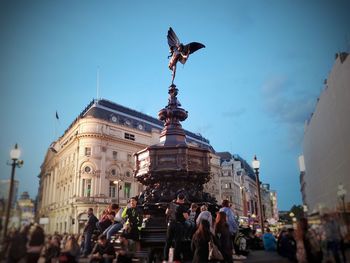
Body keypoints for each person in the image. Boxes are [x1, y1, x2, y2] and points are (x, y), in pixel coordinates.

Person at [163, 193, 189, 262]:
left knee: (168, 241)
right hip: (178, 225)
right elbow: (186, 217)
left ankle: (165, 258)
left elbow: (166, 212)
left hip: (170, 224)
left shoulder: (171, 203)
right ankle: (176, 259)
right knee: (177, 242)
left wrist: (172, 215)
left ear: (177, 198)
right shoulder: (182, 207)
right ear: (183, 199)